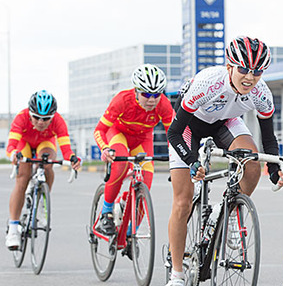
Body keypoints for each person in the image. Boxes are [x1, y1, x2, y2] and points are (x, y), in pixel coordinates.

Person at [164, 36, 283, 286]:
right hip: (189, 125)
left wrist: (274, 173)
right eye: (243, 70)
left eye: (257, 72)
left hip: (225, 122)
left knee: (252, 163)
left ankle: (232, 215)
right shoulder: (208, 83)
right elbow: (174, 131)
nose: (250, 77)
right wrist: (191, 161)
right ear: (229, 65)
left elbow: (268, 142)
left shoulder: (261, 93)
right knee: (183, 201)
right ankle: (176, 275)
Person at [92, 64, 174, 236]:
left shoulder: (164, 105)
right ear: (136, 91)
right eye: (146, 94)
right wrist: (105, 149)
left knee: (146, 182)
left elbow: (174, 135)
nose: (151, 100)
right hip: (118, 134)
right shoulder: (122, 100)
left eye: (156, 94)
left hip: (142, 139)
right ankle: (105, 213)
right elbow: (99, 130)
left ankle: (131, 232)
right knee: (120, 164)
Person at [5, 91, 82, 250]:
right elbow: (11, 145)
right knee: (23, 177)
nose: (41, 122)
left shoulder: (59, 121)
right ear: (30, 114)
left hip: (45, 142)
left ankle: (41, 201)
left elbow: (66, 149)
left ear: (53, 116)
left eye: (46, 119)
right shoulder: (21, 117)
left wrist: (73, 159)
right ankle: (13, 229)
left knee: (47, 164)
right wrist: (13, 154)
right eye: (36, 117)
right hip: (24, 144)